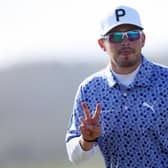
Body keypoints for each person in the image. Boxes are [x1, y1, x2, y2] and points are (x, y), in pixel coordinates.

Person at [65, 5, 168, 168]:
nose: (125, 42)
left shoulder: (165, 81)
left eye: (132, 35)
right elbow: (75, 156)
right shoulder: (90, 89)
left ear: (143, 39)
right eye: (116, 37)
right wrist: (87, 140)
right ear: (102, 44)